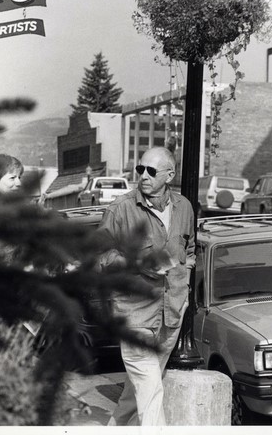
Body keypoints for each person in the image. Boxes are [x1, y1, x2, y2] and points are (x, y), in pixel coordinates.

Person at [98, 146, 196, 426]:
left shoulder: (184, 207)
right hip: (134, 313)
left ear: (170, 174)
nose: (143, 175)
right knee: (151, 389)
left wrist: (185, 274)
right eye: (140, 168)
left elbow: (187, 250)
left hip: (171, 312)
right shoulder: (121, 208)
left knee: (138, 389)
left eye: (151, 171)